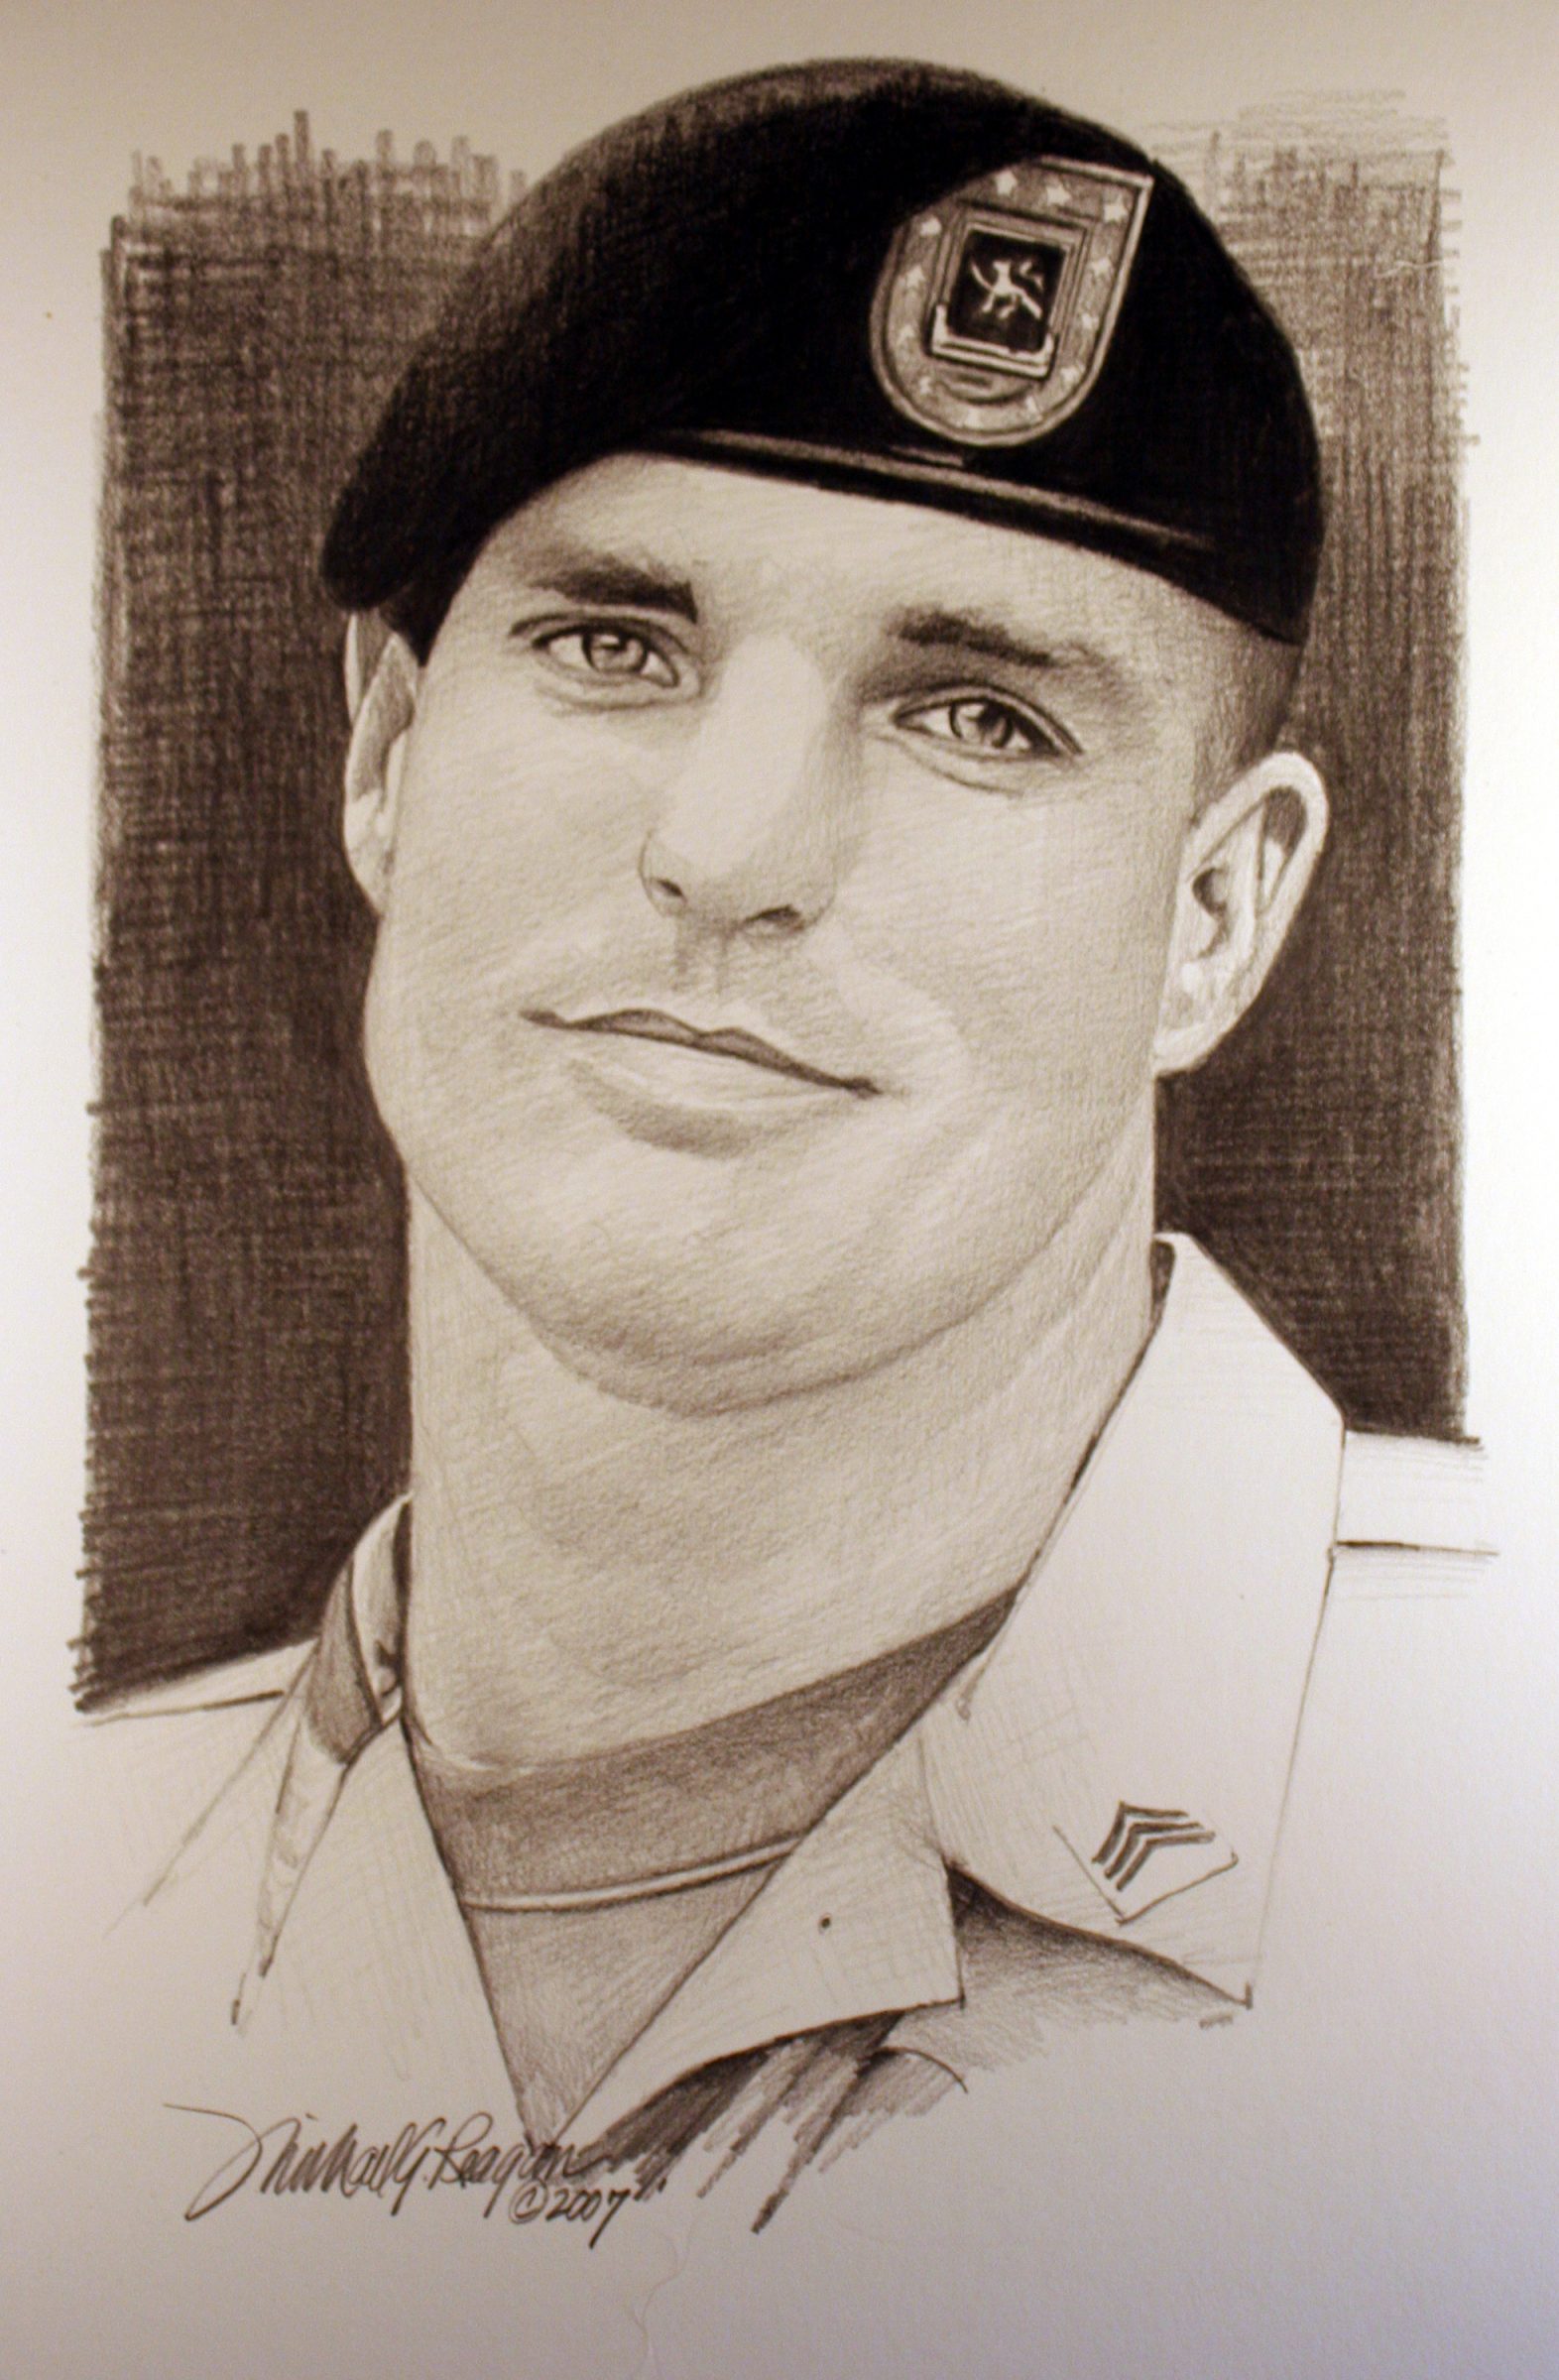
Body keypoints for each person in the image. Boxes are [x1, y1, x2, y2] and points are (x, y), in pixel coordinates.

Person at [82, 60, 1482, 2234]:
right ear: (388, 755)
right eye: (614, 644)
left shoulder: (1491, 1781)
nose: (729, 853)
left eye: (977, 715)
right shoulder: (72, 1890)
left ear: (1212, 916)